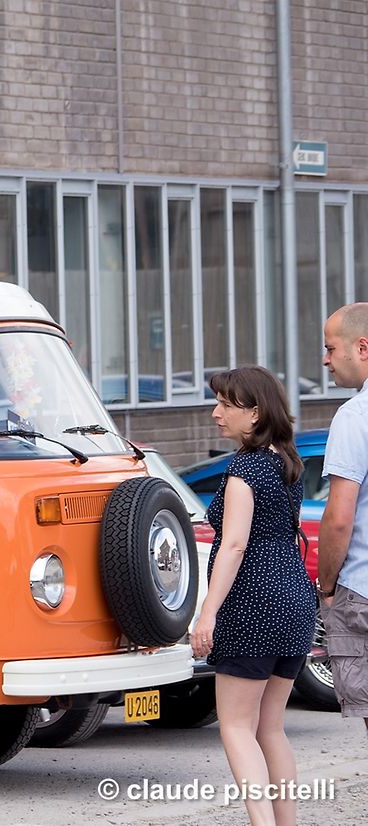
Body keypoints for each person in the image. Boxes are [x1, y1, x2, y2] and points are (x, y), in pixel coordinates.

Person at [190, 366, 316, 826]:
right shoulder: (288, 462)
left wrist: (207, 613)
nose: (215, 412)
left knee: (237, 726)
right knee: (271, 727)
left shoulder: (244, 469)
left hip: (253, 605)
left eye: (225, 404)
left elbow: (235, 544)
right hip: (295, 602)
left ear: (255, 412)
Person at [318, 303, 368, 734]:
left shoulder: (355, 416)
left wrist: (328, 587)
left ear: (362, 347)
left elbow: (338, 517)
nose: (326, 359)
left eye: (331, 348)